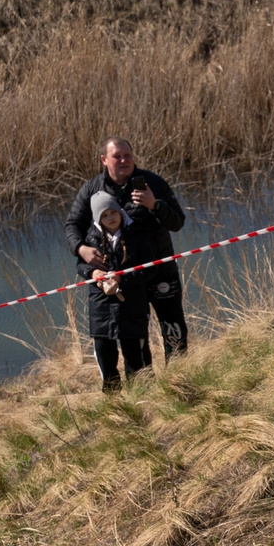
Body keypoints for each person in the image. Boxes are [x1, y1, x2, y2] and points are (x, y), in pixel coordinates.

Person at [66, 138, 188, 361]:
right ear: (104, 160)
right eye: (117, 156)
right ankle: (145, 385)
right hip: (126, 279)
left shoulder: (153, 183)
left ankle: (180, 379)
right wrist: (81, 248)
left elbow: (178, 222)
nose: (123, 160)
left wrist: (155, 205)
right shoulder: (92, 189)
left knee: (174, 329)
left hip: (160, 269)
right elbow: (72, 224)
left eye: (127, 155)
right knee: (135, 337)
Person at [76, 190, 171, 389]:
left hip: (132, 302)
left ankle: (139, 394)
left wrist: (122, 278)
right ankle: (112, 397)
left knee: (134, 353)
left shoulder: (136, 234)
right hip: (101, 304)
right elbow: (81, 266)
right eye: (104, 215)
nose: (110, 218)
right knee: (104, 351)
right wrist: (93, 274)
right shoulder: (90, 238)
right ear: (97, 218)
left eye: (113, 212)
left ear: (120, 212)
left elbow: (150, 268)